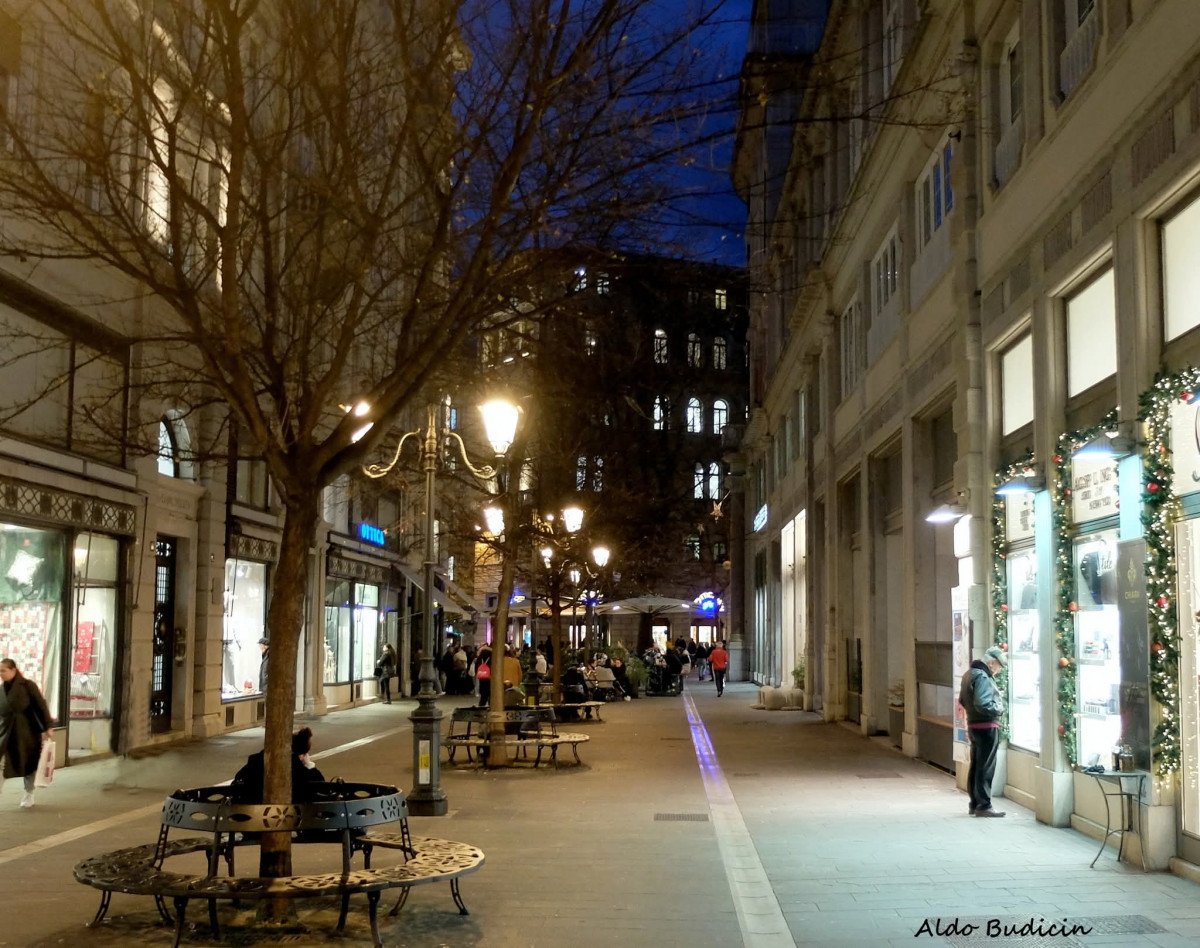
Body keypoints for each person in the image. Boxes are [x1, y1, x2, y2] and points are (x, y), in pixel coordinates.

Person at [960, 645, 1007, 817]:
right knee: (985, 767)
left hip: (974, 725)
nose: (999, 670)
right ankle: (984, 805)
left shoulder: (970, 674)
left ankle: (974, 803)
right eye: (1000, 665)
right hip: (987, 727)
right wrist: (999, 708)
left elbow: (963, 700)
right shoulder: (982, 676)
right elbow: (983, 703)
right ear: (992, 662)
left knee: (977, 765)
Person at [0, 658, 53, 808]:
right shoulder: (1, 689)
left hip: (27, 732)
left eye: (3, 670)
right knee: (1, 762)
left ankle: (29, 793)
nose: (1, 674)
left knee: (29, 763)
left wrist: (47, 726)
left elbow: (41, 705)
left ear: (13, 670)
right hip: (6, 731)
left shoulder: (28, 686)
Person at [231, 726, 326, 804]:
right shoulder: (299, 770)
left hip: (253, 816)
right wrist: (310, 765)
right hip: (290, 817)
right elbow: (322, 788)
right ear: (302, 755)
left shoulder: (256, 760)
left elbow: (238, 779)